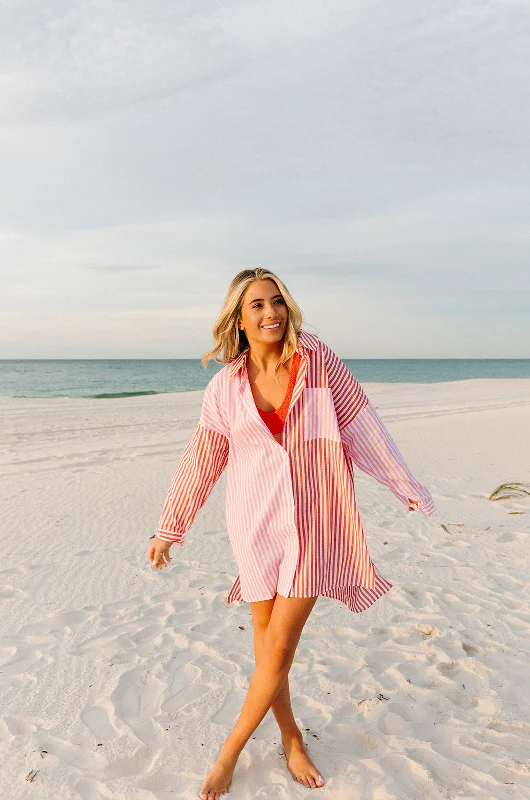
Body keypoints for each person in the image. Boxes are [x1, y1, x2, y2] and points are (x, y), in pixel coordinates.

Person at [146, 268, 435, 799]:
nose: (270, 313)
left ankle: (229, 752)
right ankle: (290, 734)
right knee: (266, 652)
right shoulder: (226, 387)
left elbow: (362, 424)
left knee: (277, 650)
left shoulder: (318, 361)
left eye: (277, 301)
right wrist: (171, 529)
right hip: (254, 523)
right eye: (256, 305)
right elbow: (202, 459)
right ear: (238, 317)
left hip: (317, 521)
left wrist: (405, 485)